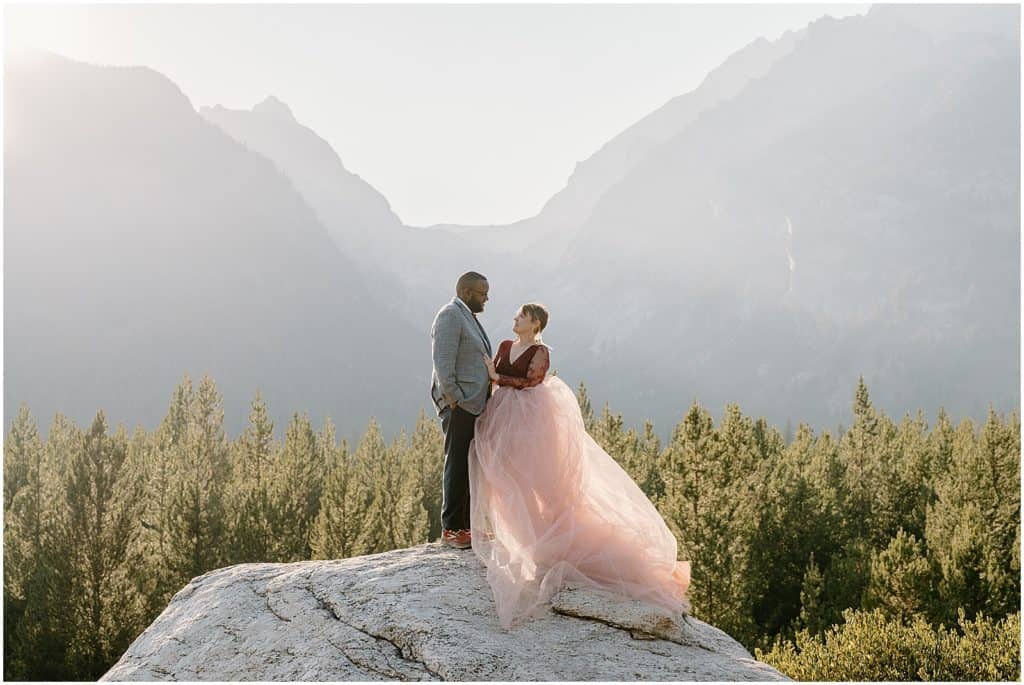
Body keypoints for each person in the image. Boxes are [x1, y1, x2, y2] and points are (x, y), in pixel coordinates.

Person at [469, 302, 691, 628]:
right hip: (503, 419)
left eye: (521, 316)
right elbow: (499, 381)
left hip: (529, 423)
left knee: (536, 483)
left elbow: (532, 382)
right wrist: (493, 379)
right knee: (508, 482)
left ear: (534, 323)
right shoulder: (505, 345)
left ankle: (546, 544)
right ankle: (524, 538)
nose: (515, 319)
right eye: (517, 316)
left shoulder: (540, 351)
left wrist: (497, 376)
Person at [430, 271, 492, 549]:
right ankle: (452, 528)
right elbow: (443, 362)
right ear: (466, 292)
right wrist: (456, 398)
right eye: (482, 292)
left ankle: (466, 527)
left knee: (469, 464)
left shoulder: (469, 317)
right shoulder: (450, 315)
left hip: (473, 404)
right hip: (461, 404)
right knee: (456, 463)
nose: (486, 297)